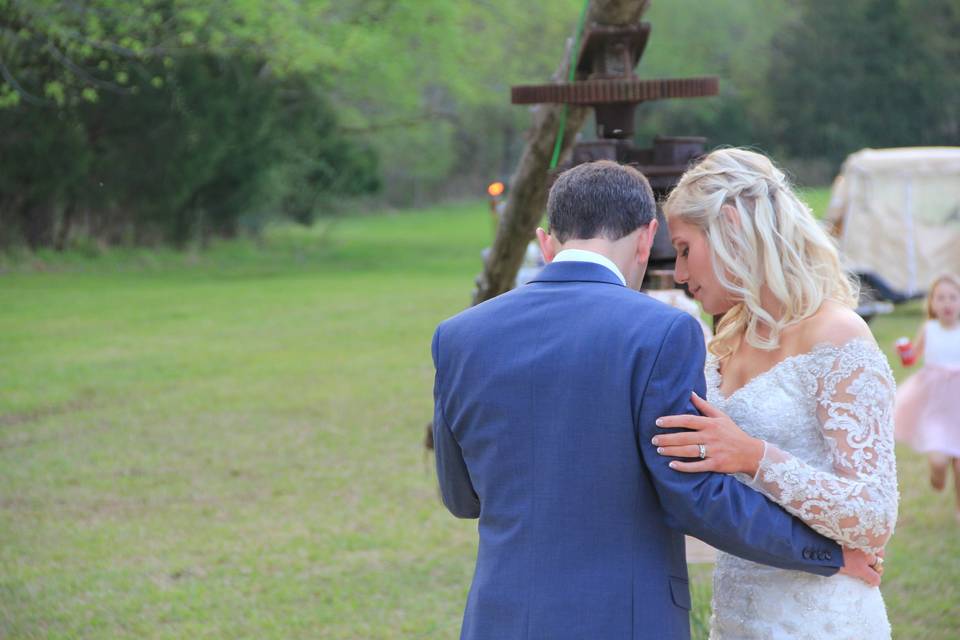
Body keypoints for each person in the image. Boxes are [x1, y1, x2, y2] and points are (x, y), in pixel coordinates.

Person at [431, 160, 879, 640]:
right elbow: (692, 496)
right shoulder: (661, 332)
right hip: (625, 619)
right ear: (647, 238)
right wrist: (825, 553)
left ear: (546, 242)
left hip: (499, 619)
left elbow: (461, 497)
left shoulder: (458, 337)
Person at [655, 148, 899, 638]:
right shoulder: (721, 343)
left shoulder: (837, 336)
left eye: (684, 249)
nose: (680, 275)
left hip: (820, 615)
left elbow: (874, 517)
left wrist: (753, 457)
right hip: (738, 613)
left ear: (729, 226)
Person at [894, 272, 960, 519]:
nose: (947, 303)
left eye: (953, 297)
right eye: (940, 298)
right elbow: (911, 359)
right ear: (931, 303)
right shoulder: (930, 329)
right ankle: (937, 478)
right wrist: (903, 350)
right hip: (937, 407)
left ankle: (959, 507)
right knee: (939, 460)